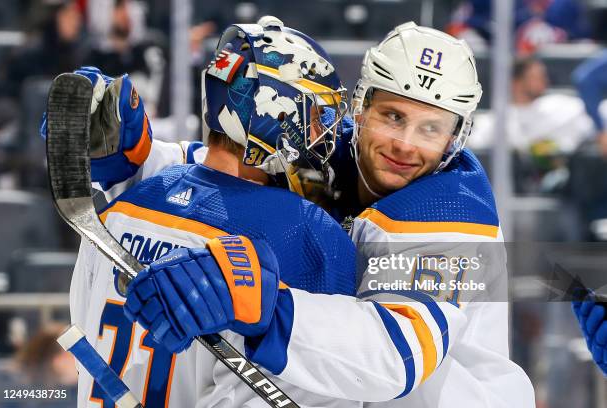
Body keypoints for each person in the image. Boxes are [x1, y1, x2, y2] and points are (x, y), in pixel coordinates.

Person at [117, 22, 534, 406]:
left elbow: (393, 354)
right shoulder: (332, 146)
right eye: (394, 116)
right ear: (361, 107)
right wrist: (141, 156)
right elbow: (233, 166)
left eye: (431, 129)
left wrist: (271, 308)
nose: (406, 144)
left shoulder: (451, 217)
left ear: (454, 138)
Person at [62, 20, 359, 407]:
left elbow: (82, 324)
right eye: (317, 116)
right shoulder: (304, 232)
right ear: (275, 113)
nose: (326, 135)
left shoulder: (120, 208)